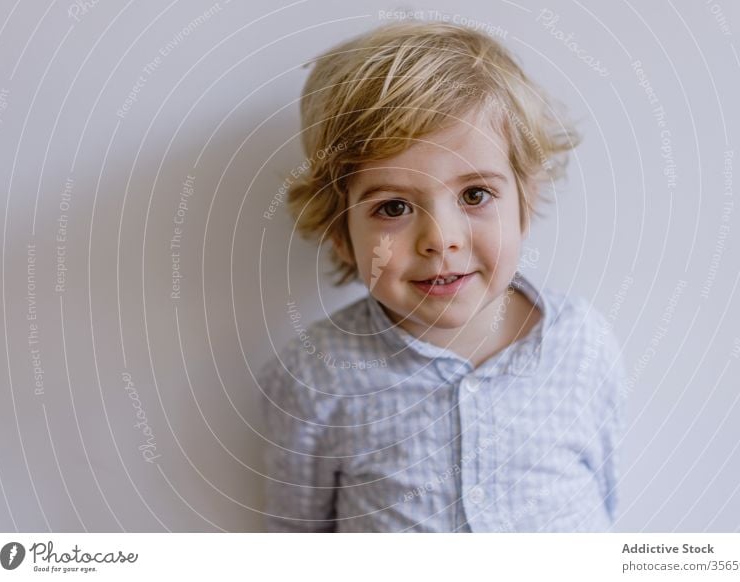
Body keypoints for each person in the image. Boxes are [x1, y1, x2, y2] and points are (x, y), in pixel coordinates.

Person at [257, 20, 627, 532]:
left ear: (526, 200)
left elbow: (605, 503)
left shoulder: (580, 344)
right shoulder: (317, 375)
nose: (440, 238)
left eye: (475, 195)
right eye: (393, 207)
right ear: (341, 231)